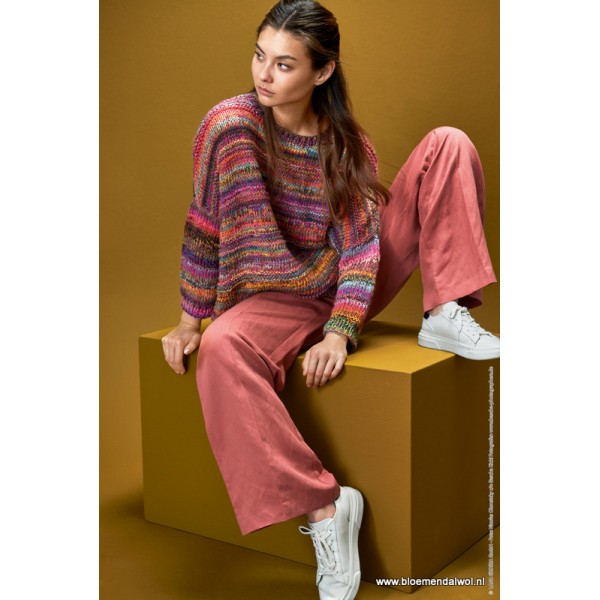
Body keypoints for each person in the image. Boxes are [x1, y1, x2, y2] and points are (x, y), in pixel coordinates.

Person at [162, 0, 499, 597]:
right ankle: (326, 508)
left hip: (349, 282)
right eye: (260, 56)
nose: (264, 74)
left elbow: (363, 248)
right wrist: (191, 318)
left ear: (322, 72)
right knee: (220, 349)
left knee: (447, 142)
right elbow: (205, 227)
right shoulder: (228, 128)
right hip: (275, 297)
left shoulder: (346, 143)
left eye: (284, 64)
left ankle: (445, 312)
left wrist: (342, 329)